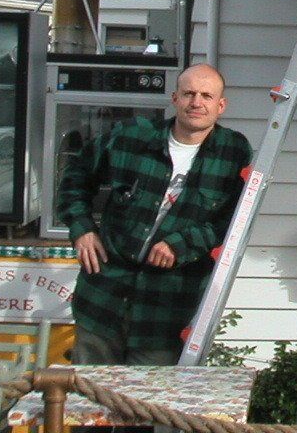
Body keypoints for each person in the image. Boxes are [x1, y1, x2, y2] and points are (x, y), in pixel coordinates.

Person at [57, 63, 252, 364]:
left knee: (146, 406)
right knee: (88, 399)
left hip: (165, 311)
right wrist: (82, 228)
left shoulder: (232, 152)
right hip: (103, 298)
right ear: (174, 99)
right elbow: (75, 178)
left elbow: (233, 221)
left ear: (221, 105)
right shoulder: (130, 136)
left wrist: (181, 244)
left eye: (206, 96)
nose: (196, 102)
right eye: (188, 93)